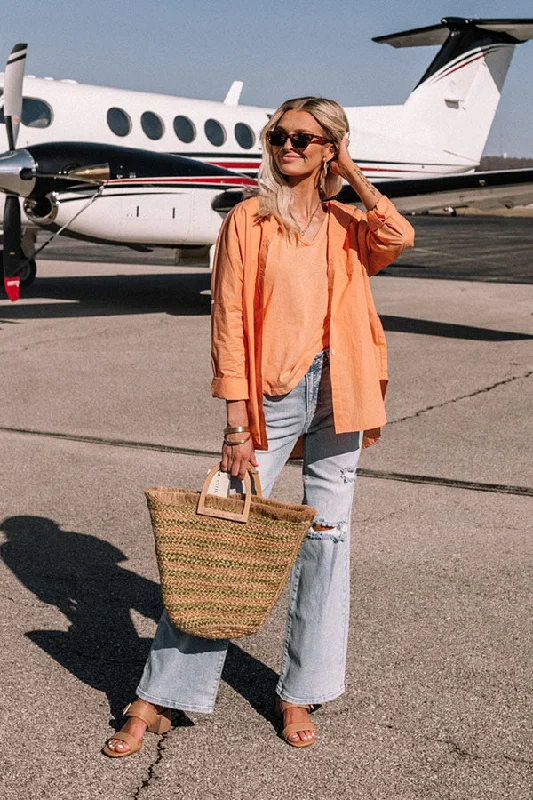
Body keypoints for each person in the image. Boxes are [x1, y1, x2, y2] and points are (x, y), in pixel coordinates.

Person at [103, 96, 414, 756]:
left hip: (345, 387)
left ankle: (300, 690)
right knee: (219, 535)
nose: (287, 146)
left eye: (304, 138)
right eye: (278, 135)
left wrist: (351, 173)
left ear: (328, 147)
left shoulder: (344, 223)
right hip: (270, 395)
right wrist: (235, 418)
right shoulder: (248, 219)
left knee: (327, 540)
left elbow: (398, 237)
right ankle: (160, 697)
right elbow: (228, 321)